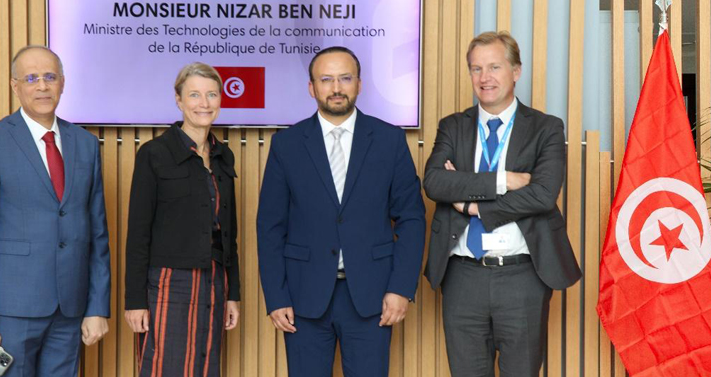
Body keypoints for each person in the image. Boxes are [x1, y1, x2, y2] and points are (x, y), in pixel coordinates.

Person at [257, 46, 426, 377]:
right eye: (326, 79)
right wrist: (276, 297)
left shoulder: (389, 140)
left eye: (345, 78)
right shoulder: (287, 144)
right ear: (312, 88)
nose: (336, 88)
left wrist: (401, 288)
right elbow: (270, 227)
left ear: (359, 84)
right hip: (303, 298)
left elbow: (411, 218)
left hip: (372, 297)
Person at [423, 31, 581, 376]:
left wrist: (472, 206)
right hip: (462, 276)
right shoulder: (452, 126)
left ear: (516, 71)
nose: (485, 78)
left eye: (494, 67)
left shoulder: (546, 128)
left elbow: (542, 194)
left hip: (522, 277)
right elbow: (435, 182)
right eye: (476, 68)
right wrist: (504, 180)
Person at [0, 45, 111, 376]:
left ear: (62, 83)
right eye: (31, 78)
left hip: (70, 309)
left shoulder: (85, 144)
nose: (42, 86)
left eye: (50, 77)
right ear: (15, 86)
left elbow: (97, 233)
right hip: (12, 312)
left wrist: (97, 307)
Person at [124, 62, 240, 377]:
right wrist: (135, 301)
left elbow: (229, 234)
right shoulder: (154, 154)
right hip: (168, 283)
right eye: (194, 95)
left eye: (212, 94)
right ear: (179, 100)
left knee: (205, 367)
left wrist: (233, 294)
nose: (204, 103)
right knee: (165, 368)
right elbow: (138, 234)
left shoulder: (223, 156)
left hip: (214, 281)